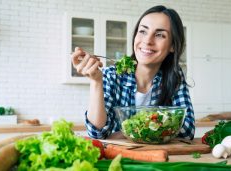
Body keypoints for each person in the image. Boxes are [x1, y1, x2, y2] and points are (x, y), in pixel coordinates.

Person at [71, 5, 195, 140]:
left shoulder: (175, 78)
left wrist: (125, 133)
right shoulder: (112, 75)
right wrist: (96, 81)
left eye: (159, 35)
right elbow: (97, 133)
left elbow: (187, 130)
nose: (147, 41)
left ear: (172, 46)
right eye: (143, 31)